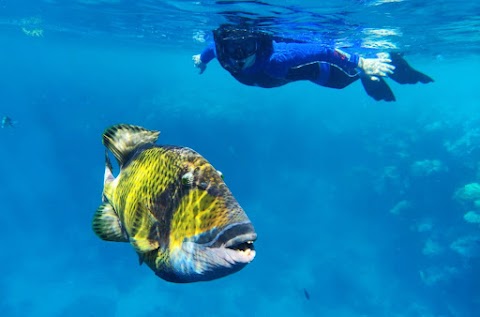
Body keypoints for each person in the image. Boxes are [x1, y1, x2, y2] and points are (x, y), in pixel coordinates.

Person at [192, 24, 433, 102]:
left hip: (327, 72)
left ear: (259, 43)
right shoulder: (221, 51)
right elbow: (210, 50)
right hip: (289, 77)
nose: (240, 55)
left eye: (247, 47)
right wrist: (201, 61)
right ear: (224, 46)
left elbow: (324, 50)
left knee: (341, 82)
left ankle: (379, 59)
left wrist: (361, 63)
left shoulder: (277, 58)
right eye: (233, 48)